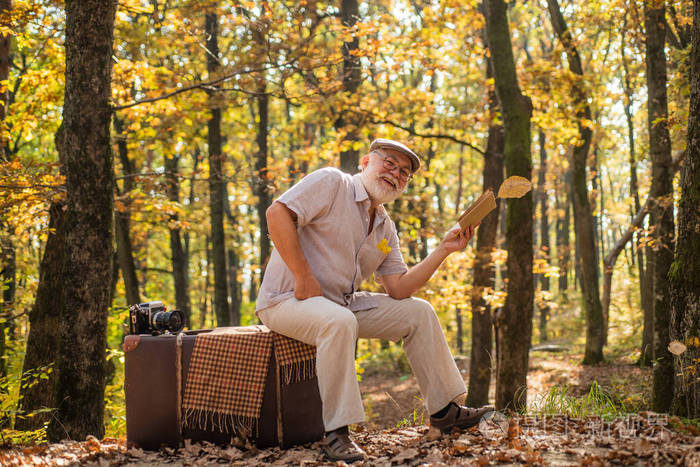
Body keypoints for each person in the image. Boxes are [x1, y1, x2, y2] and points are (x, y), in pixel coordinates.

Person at [256, 138, 494, 462]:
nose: (395, 173)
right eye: (389, 163)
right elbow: (277, 213)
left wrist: (443, 250)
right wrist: (303, 276)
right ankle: (337, 434)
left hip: (341, 304)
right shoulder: (332, 182)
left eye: (404, 172)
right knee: (340, 321)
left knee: (418, 312)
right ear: (367, 162)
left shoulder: (385, 226)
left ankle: (445, 413)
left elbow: (398, 289)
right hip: (286, 300)